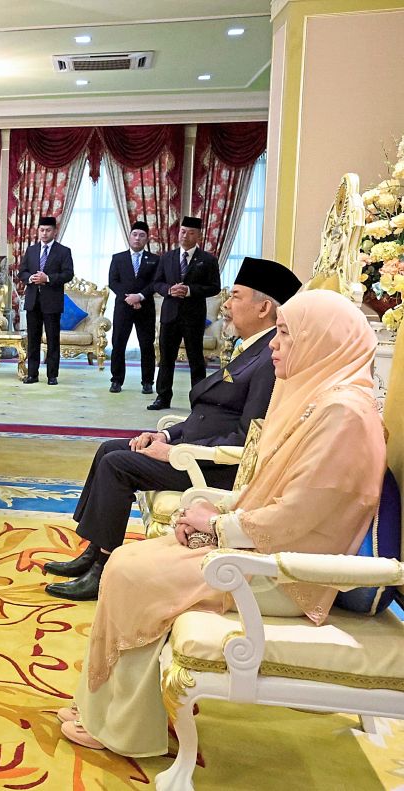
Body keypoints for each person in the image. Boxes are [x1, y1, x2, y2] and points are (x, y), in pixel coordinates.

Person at [58, 289, 386, 756]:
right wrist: (215, 515)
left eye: (288, 334)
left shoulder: (343, 414)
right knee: (132, 559)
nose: (276, 344)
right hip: (266, 549)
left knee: (133, 573)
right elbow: (274, 494)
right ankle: (114, 707)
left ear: (323, 341)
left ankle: (124, 726)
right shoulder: (322, 399)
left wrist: (219, 526)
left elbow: (300, 515)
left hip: (291, 573)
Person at [44, 258, 302, 601]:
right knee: (109, 449)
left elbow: (246, 437)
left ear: (264, 307)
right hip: (189, 448)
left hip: (213, 467)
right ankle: (94, 551)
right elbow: (209, 415)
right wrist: (166, 435)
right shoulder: (252, 348)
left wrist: (173, 452)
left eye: (236, 296)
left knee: (117, 465)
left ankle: (101, 568)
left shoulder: (268, 359)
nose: (225, 304)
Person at [149, 216, 220, 410]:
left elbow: (214, 288)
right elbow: (157, 283)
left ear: (198, 235)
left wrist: (189, 291)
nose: (185, 236)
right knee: (166, 359)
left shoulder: (208, 260)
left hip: (193, 316)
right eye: (182, 231)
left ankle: (198, 399)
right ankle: (162, 397)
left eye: (190, 233)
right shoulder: (167, 257)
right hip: (170, 315)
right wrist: (169, 290)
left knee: (196, 359)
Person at [16, 216, 73, 385]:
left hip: (52, 302)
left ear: (54, 231)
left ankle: (52, 375)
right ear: (38, 231)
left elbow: (68, 274)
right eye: (42, 230)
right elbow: (22, 271)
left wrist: (47, 278)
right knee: (33, 339)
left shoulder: (63, 251)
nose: (44, 233)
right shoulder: (32, 250)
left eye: (48, 230)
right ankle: (32, 374)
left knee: (52, 339)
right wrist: (30, 278)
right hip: (33, 300)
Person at [107, 220, 159, 394]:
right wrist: (130, 298)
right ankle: (116, 380)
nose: (137, 238)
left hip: (146, 308)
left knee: (146, 345)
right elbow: (113, 282)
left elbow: (155, 283)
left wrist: (140, 297)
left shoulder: (154, 260)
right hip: (123, 307)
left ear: (147, 239)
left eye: (142, 235)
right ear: (129, 237)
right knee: (118, 344)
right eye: (135, 235)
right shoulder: (118, 258)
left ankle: (147, 381)